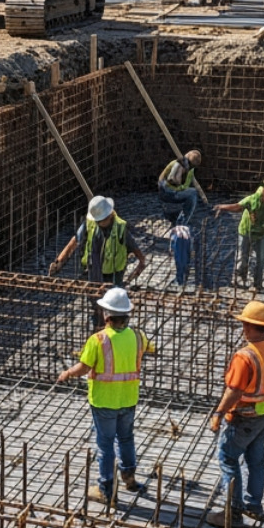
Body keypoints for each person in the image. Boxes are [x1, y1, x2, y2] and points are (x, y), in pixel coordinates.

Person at [56, 287, 154, 504]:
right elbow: (150, 348)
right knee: (126, 438)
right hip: (129, 398)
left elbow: (83, 367)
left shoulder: (98, 340)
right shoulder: (138, 336)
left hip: (104, 402)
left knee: (106, 444)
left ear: (107, 315)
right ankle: (129, 478)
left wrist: (67, 373)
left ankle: (106, 490)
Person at [206, 300, 264, 528]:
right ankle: (254, 506)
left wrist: (218, 413)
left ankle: (232, 513)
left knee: (228, 458)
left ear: (247, 326)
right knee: (255, 459)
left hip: (243, 417)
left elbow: (234, 391)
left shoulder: (245, 356)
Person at [214, 175, 264, 291]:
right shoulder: (253, 199)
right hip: (246, 231)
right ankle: (239, 280)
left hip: (262, 234)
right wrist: (223, 207)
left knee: (260, 260)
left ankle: (257, 284)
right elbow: (238, 207)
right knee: (243, 257)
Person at [48, 195, 146, 286]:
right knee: (93, 294)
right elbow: (74, 241)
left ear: (109, 216)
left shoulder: (120, 228)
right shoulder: (90, 223)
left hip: (114, 274)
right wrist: (59, 262)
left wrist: (141, 262)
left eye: (99, 221)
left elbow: (134, 248)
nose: (97, 223)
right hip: (93, 269)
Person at [157, 150, 202, 224]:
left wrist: (181, 188)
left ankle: (177, 218)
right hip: (167, 192)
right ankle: (181, 222)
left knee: (192, 193)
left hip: (175, 192)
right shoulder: (176, 164)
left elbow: (186, 184)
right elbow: (166, 180)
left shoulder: (190, 170)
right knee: (192, 193)